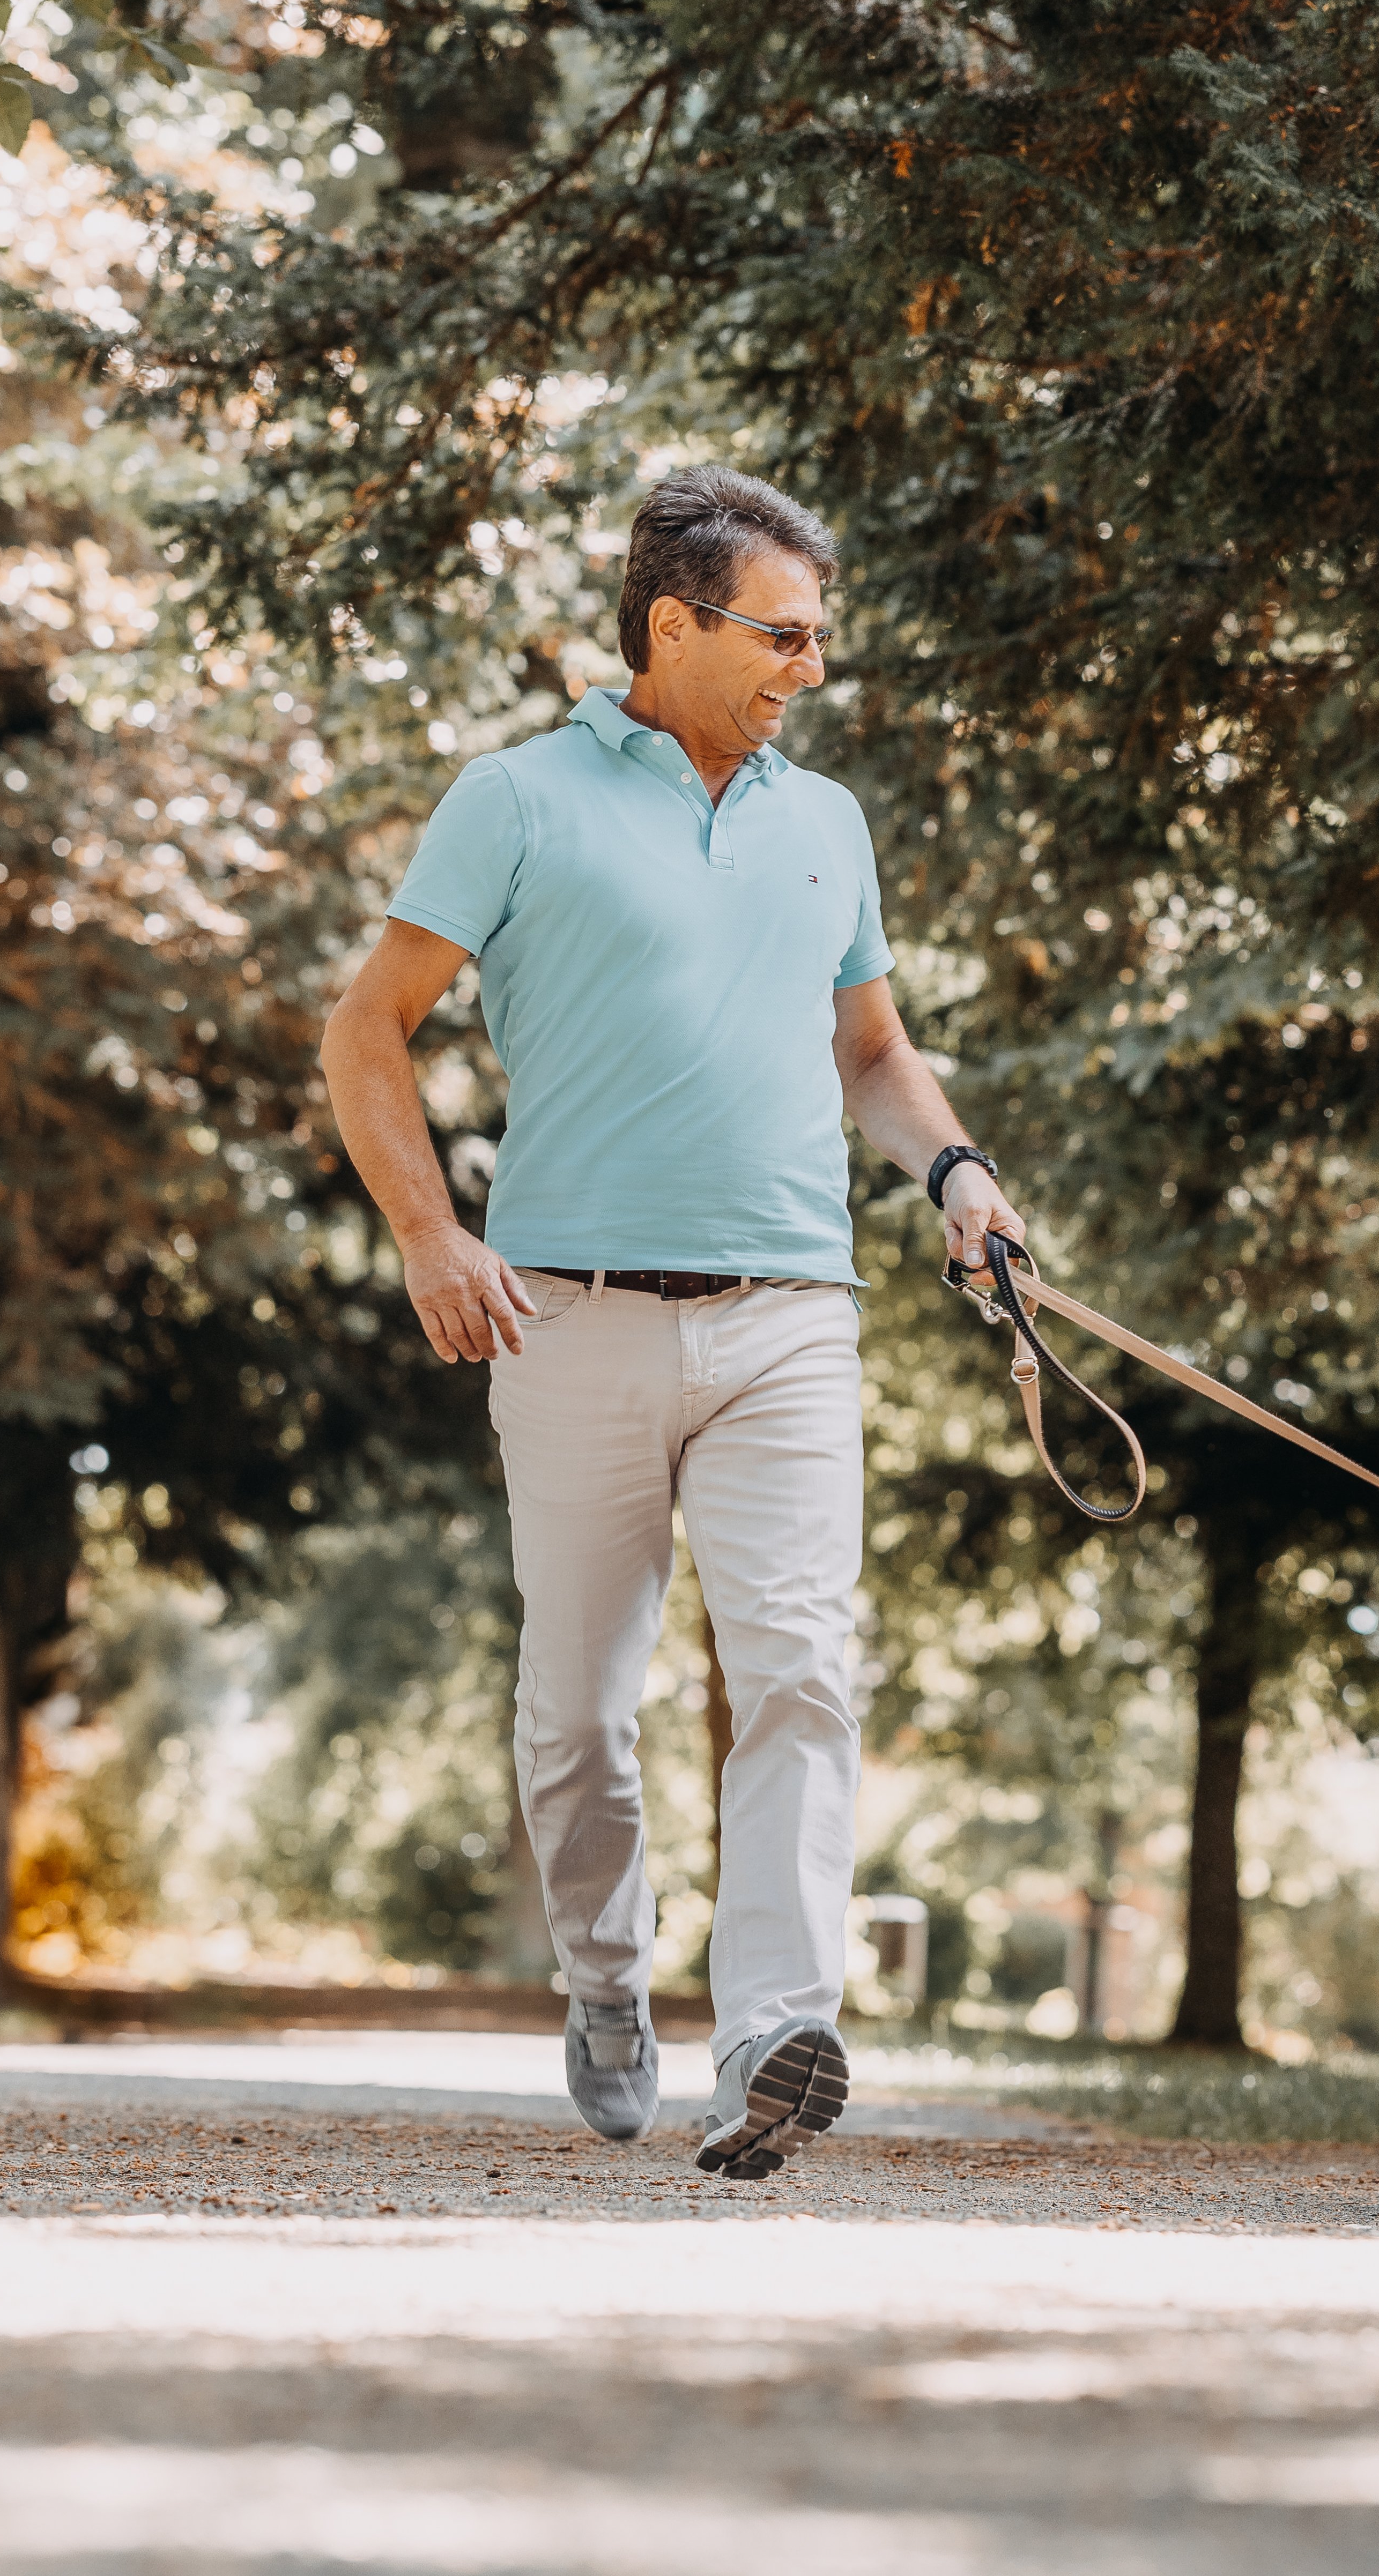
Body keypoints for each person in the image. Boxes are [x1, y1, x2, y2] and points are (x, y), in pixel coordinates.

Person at [316, 466, 1022, 2179]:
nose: (810, 669)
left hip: (792, 1316)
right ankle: (604, 1974)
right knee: (577, 1713)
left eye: (820, 641)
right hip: (566, 1319)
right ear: (672, 627)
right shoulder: (516, 800)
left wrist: (957, 1174)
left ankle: (776, 2029)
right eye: (784, 637)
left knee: (800, 1670)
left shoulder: (823, 821)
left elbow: (871, 1050)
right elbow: (366, 1035)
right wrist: (430, 1237)